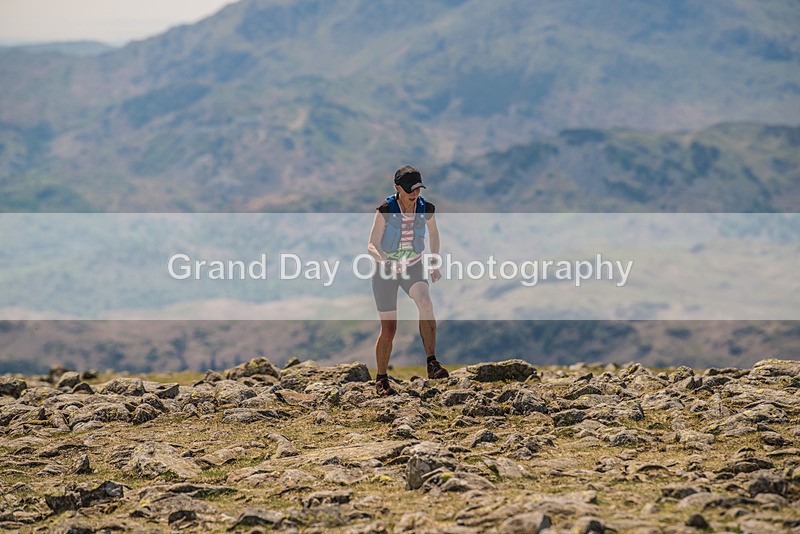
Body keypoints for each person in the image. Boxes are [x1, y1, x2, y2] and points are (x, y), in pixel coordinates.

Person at [367, 165, 449, 396]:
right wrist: (388, 262)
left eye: (417, 190)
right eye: (409, 190)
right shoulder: (385, 209)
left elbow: (433, 234)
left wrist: (433, 263)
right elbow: (371, 245)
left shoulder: (426, 209)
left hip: (414, 266)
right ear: (397, 188)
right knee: (389, 329)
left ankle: (432, 363)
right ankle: (382, 379)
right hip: (386, 271)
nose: (414, 194)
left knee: (426, 303)